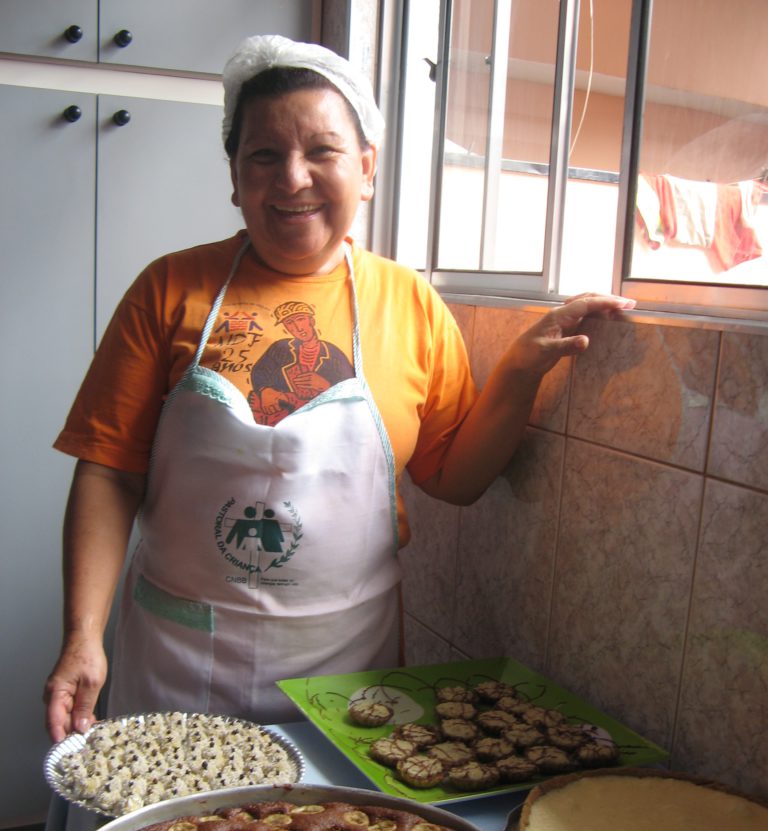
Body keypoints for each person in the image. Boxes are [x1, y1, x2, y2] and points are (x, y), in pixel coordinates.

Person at [44, 34, 634, 742]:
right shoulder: (169, 289)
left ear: (367, 168)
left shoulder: (407, 302)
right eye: (263, 155)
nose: (292, 178)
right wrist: (83, 634)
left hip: (348, 668)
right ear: (234, 177)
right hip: (179, 657)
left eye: (321, 151)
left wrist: (519, 369)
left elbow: (455, 477)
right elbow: (108, 472)